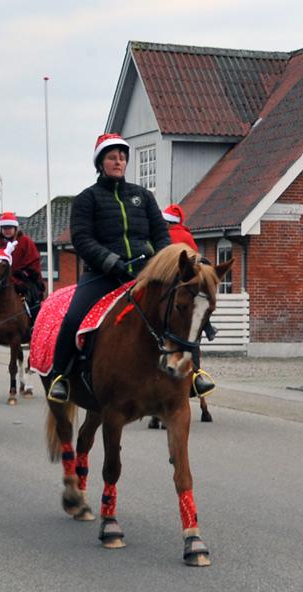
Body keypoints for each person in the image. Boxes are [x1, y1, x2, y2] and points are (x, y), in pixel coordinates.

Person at [46, 133, 214, 403]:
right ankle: (61, 376)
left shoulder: (143, 196)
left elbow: (161, 236)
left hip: (144, 273)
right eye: (112, 157)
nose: (119, 161)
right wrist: (109, 261)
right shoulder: (86, 199)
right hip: (102, 274)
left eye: (122, 157)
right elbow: (82, 239)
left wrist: (171, 260)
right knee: (73, 317)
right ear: (100, 162)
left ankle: (193, 374)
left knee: (185, 310)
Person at [0, 211, 46, 330]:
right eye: (4, 228)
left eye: (9, 227)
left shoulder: (25, 242)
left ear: (15, 227)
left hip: (20, 278)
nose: (7, 230)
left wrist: (24, 273)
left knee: (34, 295)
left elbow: (34, 261)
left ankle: (35, 323)